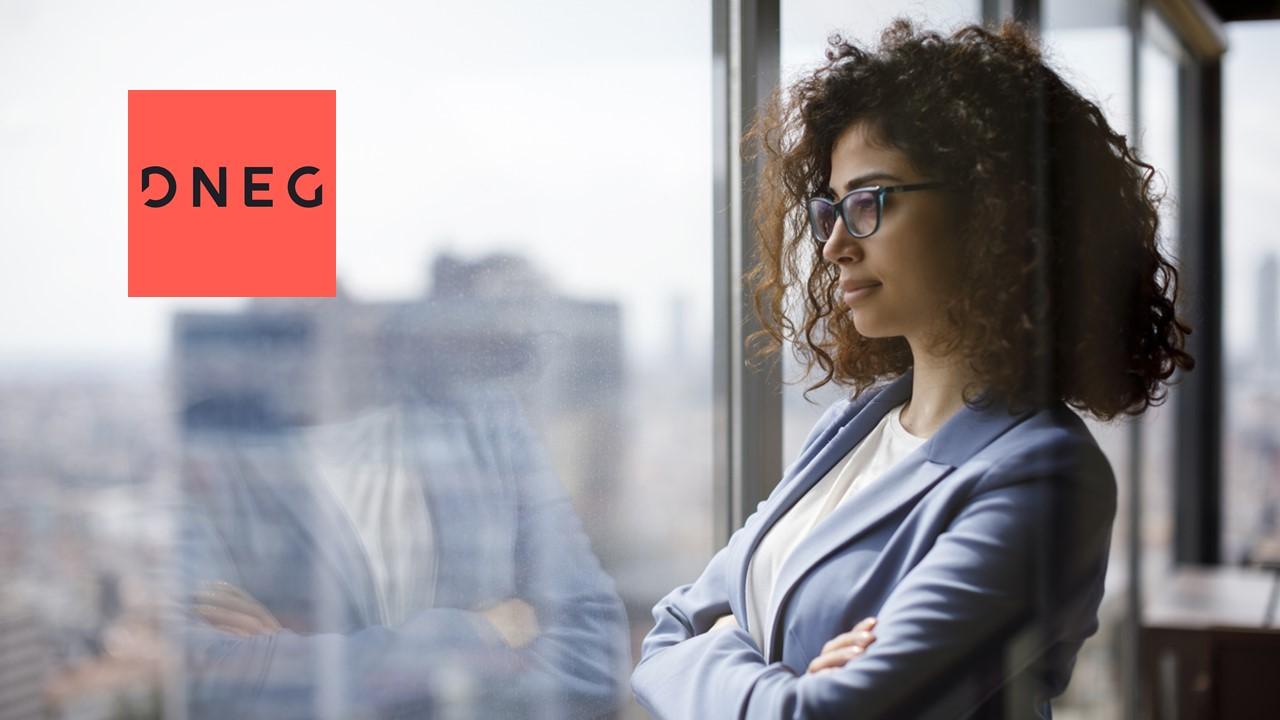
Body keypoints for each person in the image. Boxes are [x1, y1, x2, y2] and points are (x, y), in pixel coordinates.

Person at [631, 16, 1193, 720]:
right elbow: (664, 636)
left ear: (993, 207)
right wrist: (782, 680)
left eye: (868, 202)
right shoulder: (849, 431)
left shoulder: (1047, 476)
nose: (834, 244)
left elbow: (824, 712)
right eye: (829, 209)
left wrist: (726, 647)